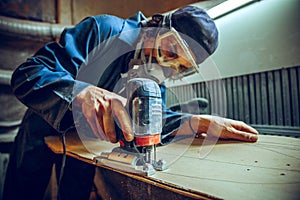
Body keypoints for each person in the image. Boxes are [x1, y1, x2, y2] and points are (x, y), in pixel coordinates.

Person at [3, 5, 259, 200]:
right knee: (24, 189)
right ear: (155, 25)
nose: (168, 67)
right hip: (43, 126)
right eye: (170, 50)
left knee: (75, 192)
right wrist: (82, 92)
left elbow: (148, 122)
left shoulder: (152, 77)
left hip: (87, 143)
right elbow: (30, 73)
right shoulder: (104, 30)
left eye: (181, 66)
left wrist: (193, 123)